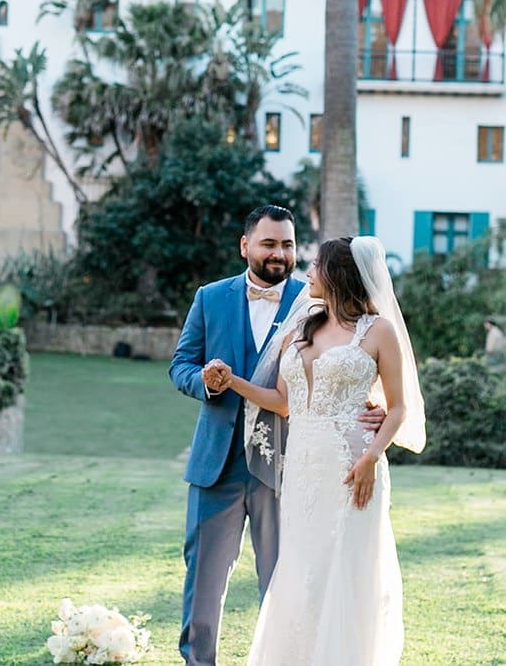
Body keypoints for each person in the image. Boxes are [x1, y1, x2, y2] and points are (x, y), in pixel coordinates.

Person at [169, 206, 386, 666]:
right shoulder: (210, 298)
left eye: (287, 245)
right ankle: (197, 662)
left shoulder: (313, 298)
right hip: (218, 462)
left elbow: (358, 350)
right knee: (203, 579)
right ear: (245, 245)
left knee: (287, 577)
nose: (279, 254)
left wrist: (375, 402)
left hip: (291, 466)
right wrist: (206, 382)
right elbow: (180, 364)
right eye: (269, 244)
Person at [210, 235, 426, 666]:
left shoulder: (378, 330)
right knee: (302, 569)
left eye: (315, 265)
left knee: (344, 569)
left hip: (352, 469)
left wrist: (370, 458)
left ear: (338, 274)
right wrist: (232, 380)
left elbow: (399, 406)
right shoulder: (304, 324)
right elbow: (283, 403)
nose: (307, 272)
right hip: (304, 469)